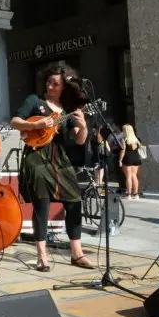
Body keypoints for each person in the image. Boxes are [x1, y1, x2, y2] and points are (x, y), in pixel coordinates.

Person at [9, 63, 94, 272]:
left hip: (60, 159)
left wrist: (83, 126)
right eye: (48, 82)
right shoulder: (34, 101)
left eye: (55, 84)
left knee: (74, 200)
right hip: (36, 157)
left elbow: (80, 141)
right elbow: (14, 122)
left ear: (64, 87)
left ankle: (77, 253)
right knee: (42, 205)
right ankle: (42, 256)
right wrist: (35, 125)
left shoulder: (68, 110)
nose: (50, 86)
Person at [119, 124, 142, 199]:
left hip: (127, 158)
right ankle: (136, 194)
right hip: (136, 158)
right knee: (134, 176)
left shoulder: (124, 139)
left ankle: (128, 194)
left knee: (128, 176)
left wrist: (120, 160)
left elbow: (123, 150)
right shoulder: (136, 139)